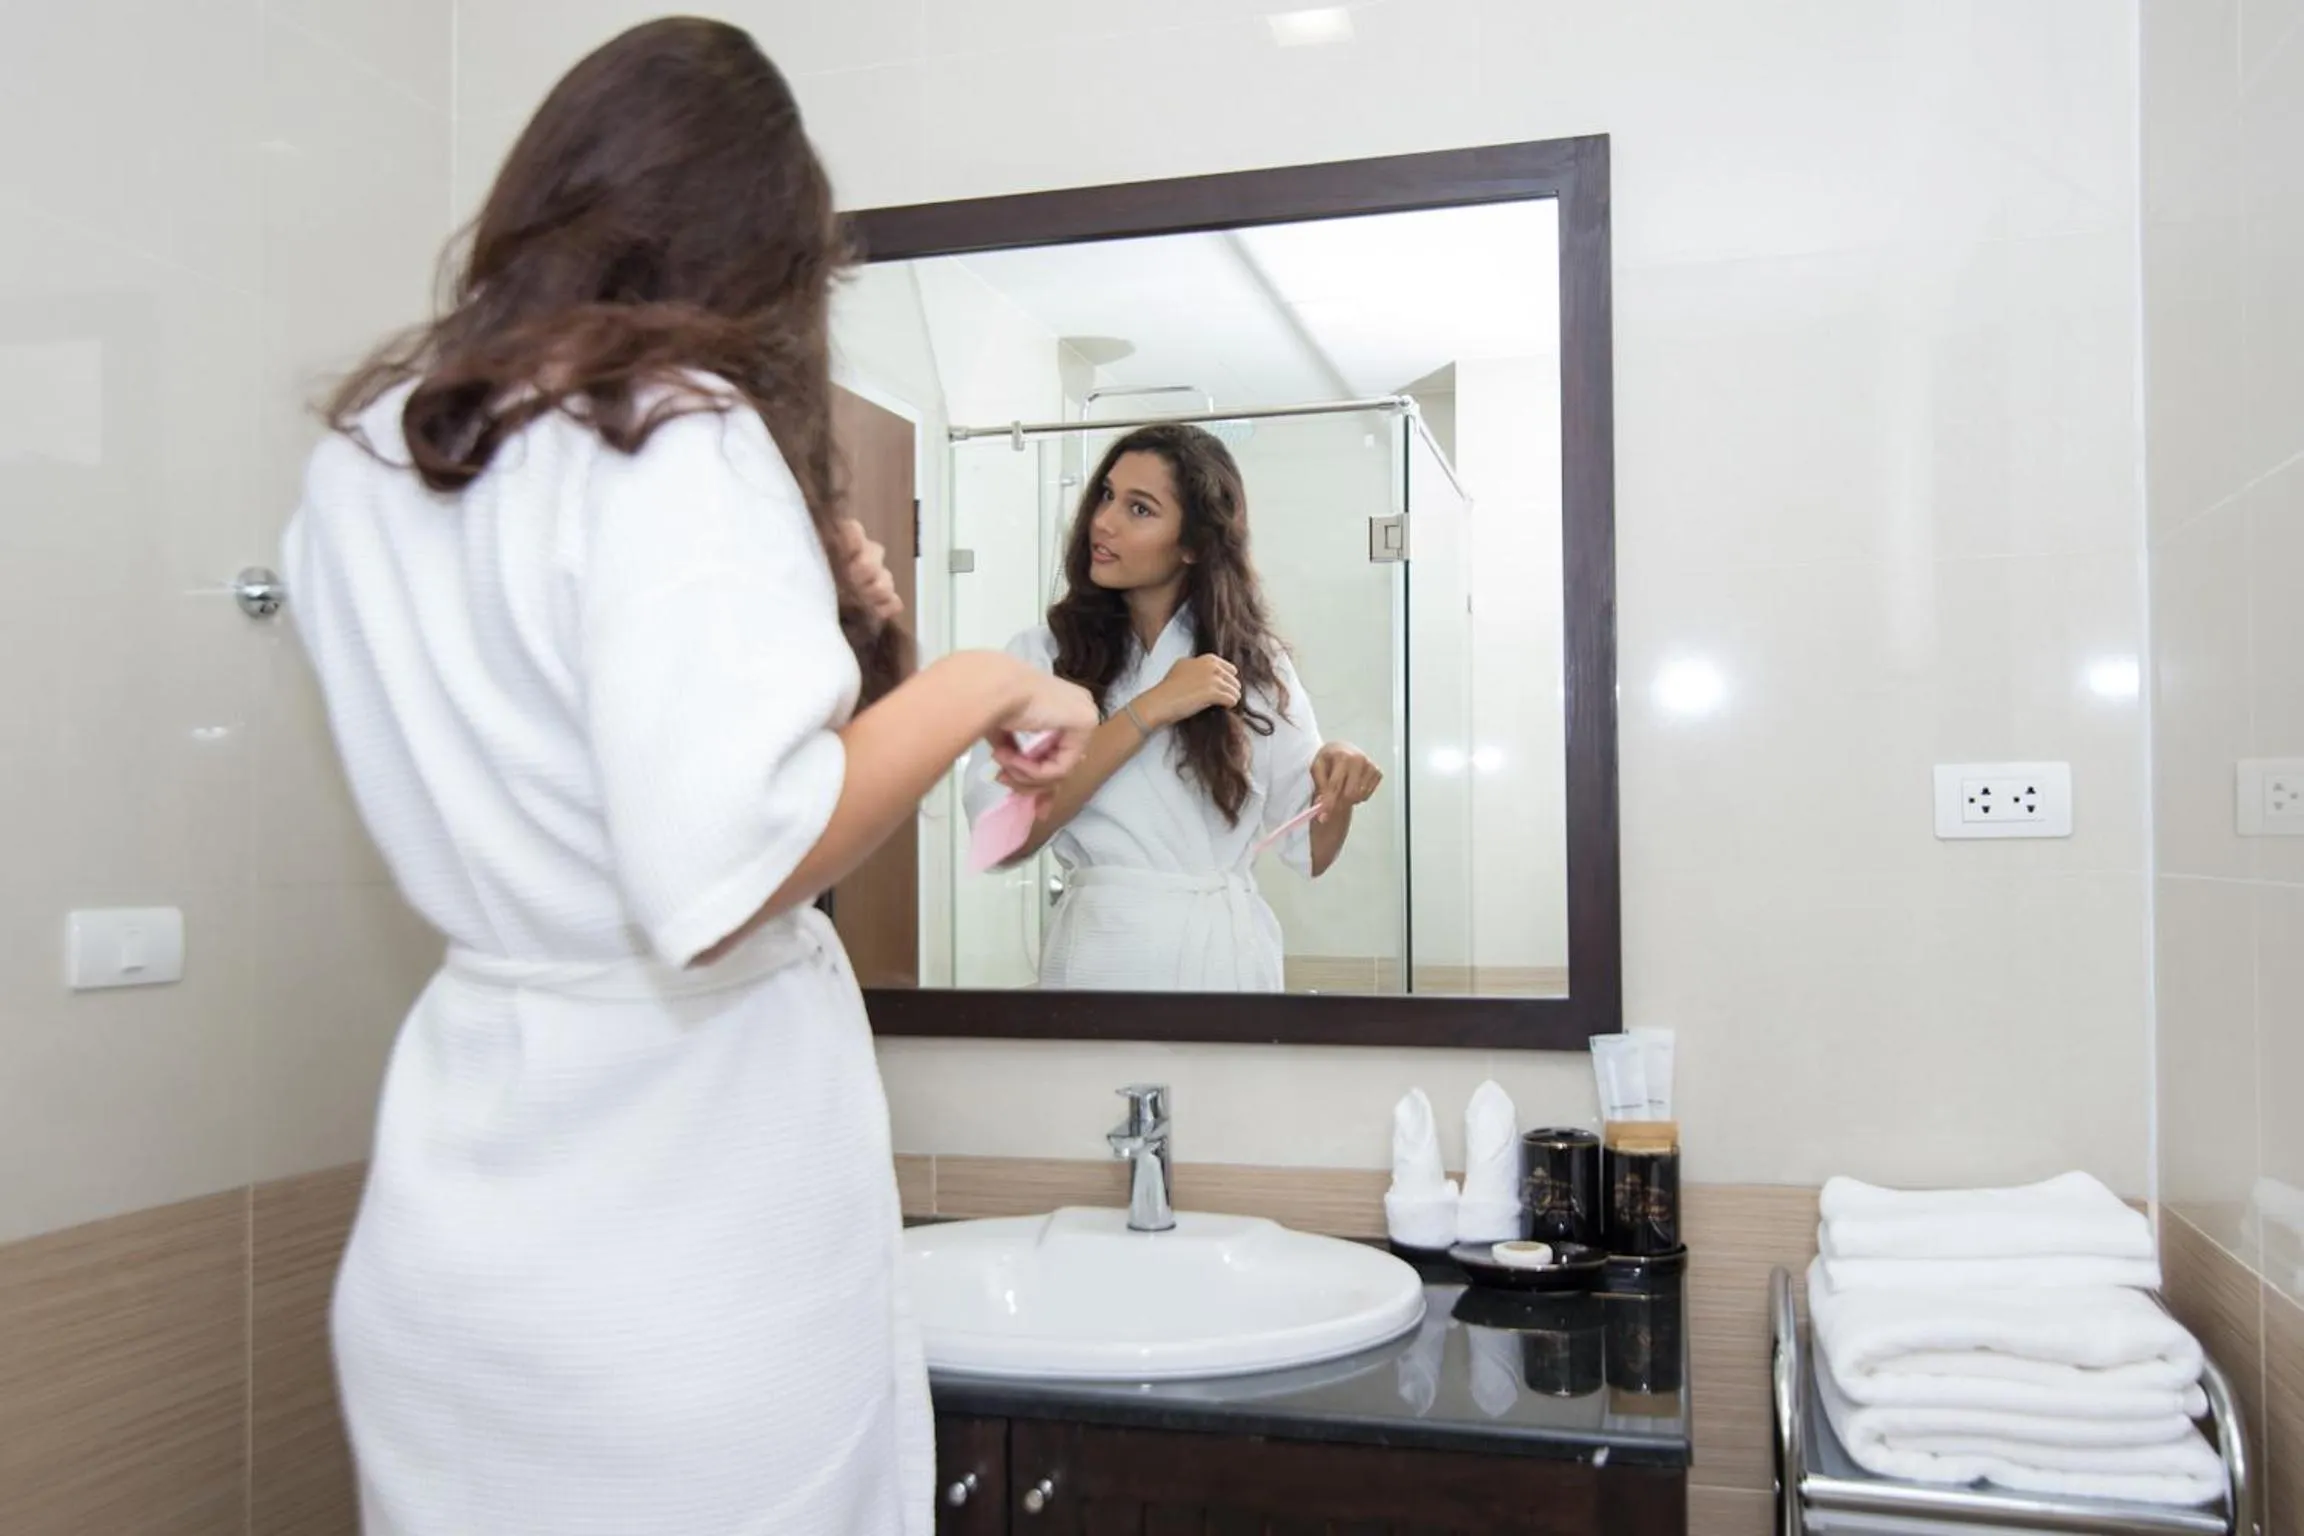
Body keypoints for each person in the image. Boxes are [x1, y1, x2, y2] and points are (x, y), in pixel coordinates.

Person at [281, 19, 1094, 1535]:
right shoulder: (672, 428)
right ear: (754, 248)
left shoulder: (371, 458)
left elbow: (556, 747)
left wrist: (833, 632)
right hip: (680, 1237)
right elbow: (722, 872)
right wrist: (988, 677)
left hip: (461, 1216)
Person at [963, 424, 1384, 991]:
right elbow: (1002, 838)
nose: (1103, 521)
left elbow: (1309, 848)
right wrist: (1149, 709)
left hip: (1227, 961)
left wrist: (1341, 771)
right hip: (1099, 959)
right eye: (1107, 496)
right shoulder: (1044, 656)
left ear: (1193, 544)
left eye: (1139, 509)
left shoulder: (1258, 668)